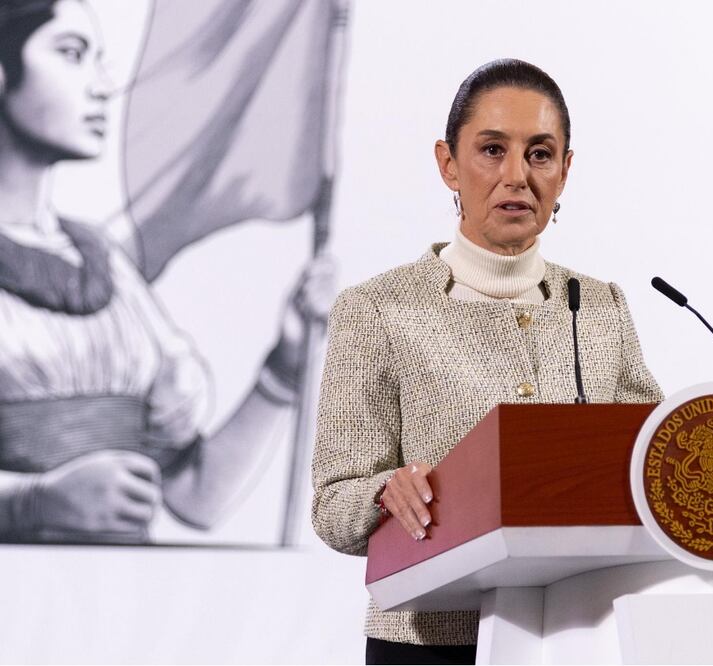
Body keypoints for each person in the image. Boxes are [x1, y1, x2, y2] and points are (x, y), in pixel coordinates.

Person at [311, 58, 663, 664]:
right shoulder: (377, 310)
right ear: (448, 164)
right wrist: (382, 493)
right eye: (492, 150)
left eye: (540, 154)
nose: (516, 176)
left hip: (578, 637)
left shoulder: (599, 306)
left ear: (565, 170)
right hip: (430, 643)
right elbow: (332, 504)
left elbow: (654, 462)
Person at [0, 0, 334, 543]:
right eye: (71, 54)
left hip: (122, 608)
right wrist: (31, 502)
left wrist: (286, 363)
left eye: (100, 60)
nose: (103, 86)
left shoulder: (107, 267)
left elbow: (195, 497)